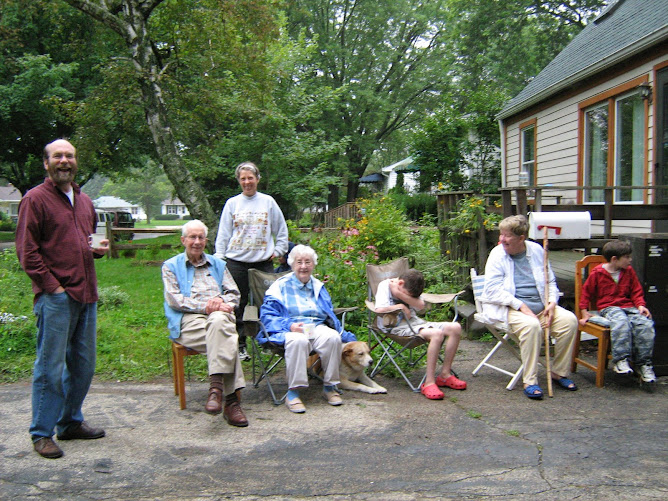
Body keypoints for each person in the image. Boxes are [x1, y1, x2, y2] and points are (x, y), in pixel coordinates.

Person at [15, 139, 109, 459]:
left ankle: (69, 422)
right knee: (50, 368)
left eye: (69, 155)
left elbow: (89, 236)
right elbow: (27, 252)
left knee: (83, 366)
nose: (64, 161)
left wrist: (96, 247)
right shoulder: (35, 199)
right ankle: (41, 432)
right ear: (46, 163)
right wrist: (52, 287)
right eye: (58, 156)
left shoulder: (84, 200)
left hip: (87, 294)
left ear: (75, 161)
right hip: (56, 298)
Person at [480, 215, 578, 400]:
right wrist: (522, 306)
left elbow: (550, 280)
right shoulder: (497, 254)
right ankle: (530, 381)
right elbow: (491, 290)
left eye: (506, 236)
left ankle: (558, 372)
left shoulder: (537, 251)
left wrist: (551, 303)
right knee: (532, 326)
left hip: (542, 307)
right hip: (511, 309)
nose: (501, 240)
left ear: (521, 238)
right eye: (501, 234)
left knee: (569, 321)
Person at [163, 220, 248, 426]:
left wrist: (221, 303)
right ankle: (231, 402)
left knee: (220, 323)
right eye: (192, 237)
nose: (197, 241)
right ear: (183, 240)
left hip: (219, 317)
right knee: (226, 337)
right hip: (188, 320)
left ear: (206, 241)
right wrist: (206, 306)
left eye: (201, 237)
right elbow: (175, 300)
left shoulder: (219, 265)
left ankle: (216, 389)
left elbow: (234, 295)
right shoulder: (170, 266)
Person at [260, 245, 357, 413]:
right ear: (292, 265)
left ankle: (330, 387)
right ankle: (293, 393)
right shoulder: (279, 286)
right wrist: (289, 326)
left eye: (307, 262)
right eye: (299, 262)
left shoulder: (318, 286)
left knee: (333, 337)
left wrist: (345, 334)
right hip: (290, 329)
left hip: (316, 327)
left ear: (313, 265)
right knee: (298, 340)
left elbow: (329, 314)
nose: (303, 266)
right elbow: (268, 316)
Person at [214, 161, 289, 361]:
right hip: (236, 261)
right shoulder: (232, 203)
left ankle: (268, 341)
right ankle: (239, 345)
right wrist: (220, 258)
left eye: (250, 178)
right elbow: (223, 234)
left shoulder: (268, 202)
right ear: (239, 181)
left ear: (257, 179)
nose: (247, 182)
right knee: (237, 303)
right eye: (243, 179)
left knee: (268, 302)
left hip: (263, 261)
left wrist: (279, 250)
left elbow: (281, 230)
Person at [374, 269, 467, 400]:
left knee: (455, 327)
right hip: (394, 326)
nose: (409, 296)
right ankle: (429, 382)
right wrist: (402, 306)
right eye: (407, 294)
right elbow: (379, 309)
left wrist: (399, 294)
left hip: (415, 323)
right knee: (436, 334)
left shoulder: (410, 286)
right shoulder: (385, 285)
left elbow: (421, 305)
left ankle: (445, 375)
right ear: (400, 283)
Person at [579, 240, 656, 382]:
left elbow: (636, 291)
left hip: (628, 307)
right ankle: (621, 360)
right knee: (621, 322)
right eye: (627, 257)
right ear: (614, 259)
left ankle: (643, 364)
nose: (630, 260)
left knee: (645, 324)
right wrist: (584, 311)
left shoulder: (628, 272)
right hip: (609, 308)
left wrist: (640, 305)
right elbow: (586, 293)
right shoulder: (598, 273)